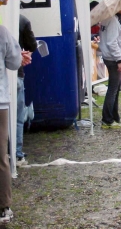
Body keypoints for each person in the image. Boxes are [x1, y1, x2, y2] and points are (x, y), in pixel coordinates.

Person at [0, 24, 24, 224]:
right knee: (1, 157)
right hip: (0, 102)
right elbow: (14, 62)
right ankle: (4, 206)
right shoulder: (1, 31)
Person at [99, 7, 121, 129]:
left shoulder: (106, 19)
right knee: (113, 89)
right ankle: (107, 119)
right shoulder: (113, 21)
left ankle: (114, 116)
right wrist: (119, 60)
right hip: (112, 58)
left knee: (115, 88)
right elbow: (111, 42)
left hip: (107, 56)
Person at [16, 15, 37, 167]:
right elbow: (32, 45)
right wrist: (20, 56)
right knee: (17, 118)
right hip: (15, 72)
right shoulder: (21, 20)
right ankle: (16, 153)